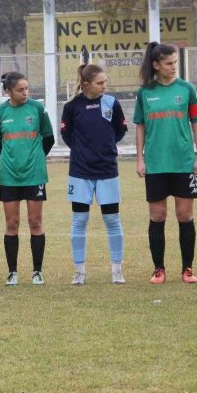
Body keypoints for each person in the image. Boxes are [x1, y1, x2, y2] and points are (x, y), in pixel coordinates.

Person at [135, 42, 197, 284]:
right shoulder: (145, 93)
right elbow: (140, 126)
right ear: (156, 65)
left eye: (175, 62)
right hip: (155, 164)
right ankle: (159, 269)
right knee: (158, 216)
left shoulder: (187, 90)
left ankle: (187, 269)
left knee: (184, 216)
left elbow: (196, 122)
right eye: (168, 63)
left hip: (183, 163)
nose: (173, 67)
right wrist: (140, 159)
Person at [60, 63, 128, 285]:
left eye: (105, 82)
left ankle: (117, 271)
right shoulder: (72, 106)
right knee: (79, 220)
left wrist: (104, 148)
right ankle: (79, 272)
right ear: (87, 85)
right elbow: (67, 135)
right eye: (100, 83)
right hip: (80, 172)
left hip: (107, 170)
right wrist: (84, 151)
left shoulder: (112, 103)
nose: (104, 86)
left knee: (112, 219)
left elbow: (119, 131)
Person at [0, 71, 54, 286]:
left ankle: (37, 271)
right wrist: (12, 158)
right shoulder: (0, 113)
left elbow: (49, 138)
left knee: (35, 222)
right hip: (9, 176)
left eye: (27, 89)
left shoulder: (37, 108)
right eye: (20, 90)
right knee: (12, 223)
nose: (25, 93)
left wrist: (35, 157)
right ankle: (12, 272)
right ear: (8, 91)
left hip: (35, 174)